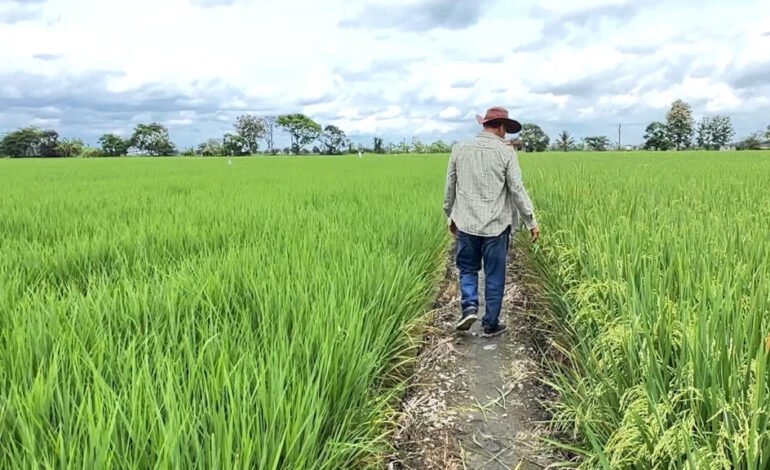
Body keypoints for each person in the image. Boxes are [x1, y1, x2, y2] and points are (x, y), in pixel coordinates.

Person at [443, 106, 540, 337]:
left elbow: (450, 187)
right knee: (495, 275)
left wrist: (450, 215)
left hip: (466, 223)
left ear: (484, 124)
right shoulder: (506, 153)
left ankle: (469, 307)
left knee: (467, 268)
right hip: (497, 226)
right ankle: (491, 324)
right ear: (502, 127)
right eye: (506, 130)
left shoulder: (460, 149)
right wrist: (531, 221)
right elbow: (517, 190)